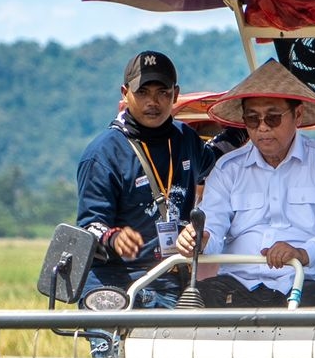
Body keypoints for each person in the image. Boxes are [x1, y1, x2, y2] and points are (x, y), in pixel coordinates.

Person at [179, 59, 315, 308]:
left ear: (298, 115)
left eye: (272, 118)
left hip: (308, 280)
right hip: (237, 283)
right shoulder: (228, 168)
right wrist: (200, 238)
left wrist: (302, 253)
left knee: (312, 311)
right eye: (252, 119)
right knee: (192, 304)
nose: (262, 128)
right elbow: (213, 224)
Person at [75, 49, 216, 309]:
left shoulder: (187, 139)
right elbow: (88, 227)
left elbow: (222, 168)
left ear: (175, 94)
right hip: (114, 286)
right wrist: (114, 237)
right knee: (116, 352)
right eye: (143, 93)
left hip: (173, 282)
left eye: (162, 93)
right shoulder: (103, 154)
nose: (153, 102)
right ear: (124, 93)